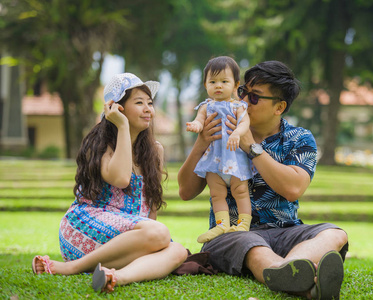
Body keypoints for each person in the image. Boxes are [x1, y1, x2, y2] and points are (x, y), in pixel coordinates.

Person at [178, 61, 349, 299]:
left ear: (279, 107)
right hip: (232, 234)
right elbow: (185, 191)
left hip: (285, 231)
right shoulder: (219, 130)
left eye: (255, 97)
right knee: (252, 246)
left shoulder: (299, 139)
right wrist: (201, 144)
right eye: (242, 93)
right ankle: (292, 274)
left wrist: (251, 147)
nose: (244, 101)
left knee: (335, 233)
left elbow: (293, 188)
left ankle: (295, 271)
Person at [31, 73, 188, 293]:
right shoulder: (101, 144)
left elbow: (150, 206)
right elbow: (121, 179)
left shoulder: (155, 150)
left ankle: (115, 277)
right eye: (139, 102)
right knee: (161, 235)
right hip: (85, 228)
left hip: (128, 239)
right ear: (117, 108)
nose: (148, 109)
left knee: (178, 250)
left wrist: (154, 240)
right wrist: (123, 128)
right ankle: (72, 267)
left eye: (150, 103)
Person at [186, 56, 253, 243]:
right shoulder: (206, 106)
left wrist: (237, 133)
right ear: (205, 84)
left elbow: (245, 123)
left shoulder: (238, 106)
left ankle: (243, 223)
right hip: (214, 161)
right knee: (216, 193)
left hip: (235, 159)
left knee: (241, 191)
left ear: (235, 85)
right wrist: (196, 126)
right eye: (213, 81)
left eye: (224, 81)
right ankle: (221, 224)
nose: (218, 86)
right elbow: (200, 120)